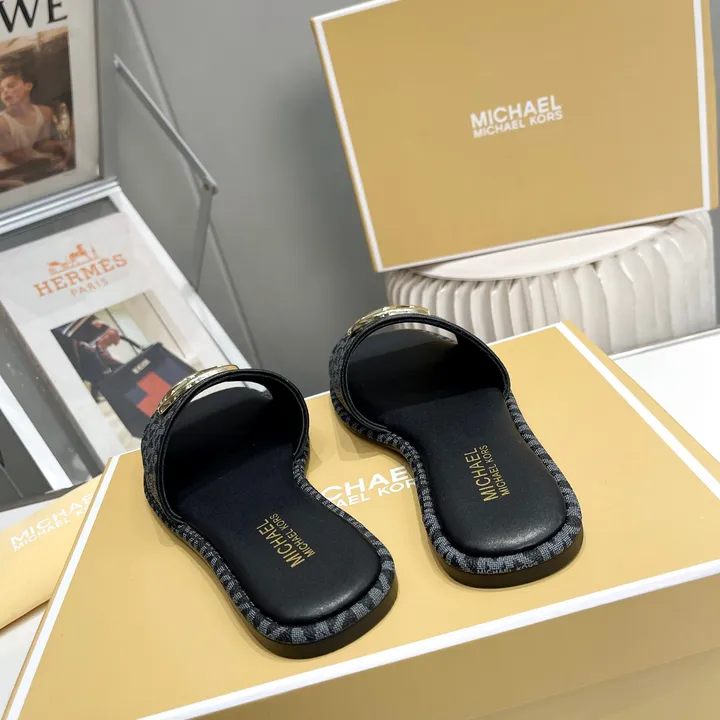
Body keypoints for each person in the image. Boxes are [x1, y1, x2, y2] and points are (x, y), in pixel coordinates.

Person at [0, 65, 71, 175]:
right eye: (1, 90)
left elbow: (41, 144)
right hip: (13, 173)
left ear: (28, 86)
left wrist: (60, 145)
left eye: (11, 85)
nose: (5, 91)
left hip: (37, 165)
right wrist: (50, 162)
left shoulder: (45, 112)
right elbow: (17, 157)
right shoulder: (2, 122)